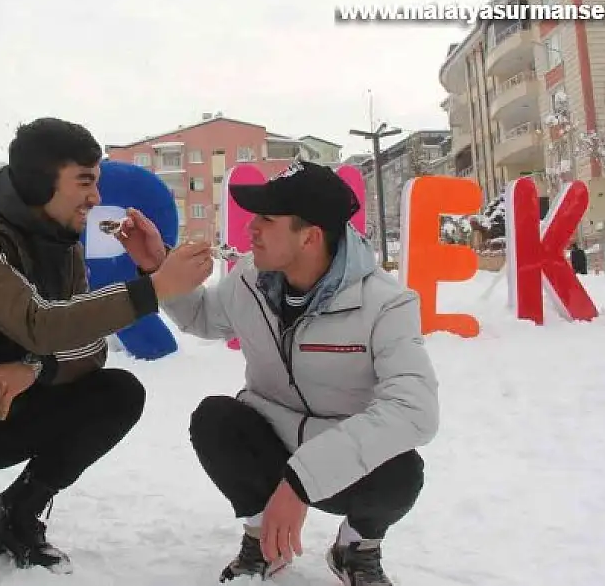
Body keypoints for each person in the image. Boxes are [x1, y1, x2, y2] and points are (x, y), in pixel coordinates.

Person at [0, 117, 213, 585]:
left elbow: (87, 342)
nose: (95, 197)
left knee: (117, 392)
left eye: (98, 181)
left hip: (9, 411)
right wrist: (152, 288)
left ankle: (15, 516)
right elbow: (40, 321)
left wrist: (36, 369)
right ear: (37, 182)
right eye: (84, 182)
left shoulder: (62, 243)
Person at [114, 159, 439, 586]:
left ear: (310, 236)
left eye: (267, 219)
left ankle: (356, 547)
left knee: (402, 472)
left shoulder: (385, 302)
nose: (251, 229)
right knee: (215, 419)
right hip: (271, 433)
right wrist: (158, 264)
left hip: (340, 454)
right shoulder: (251, 278)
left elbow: (415, 410)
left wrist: (303, 479)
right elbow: (204, 319)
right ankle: (262, 539)